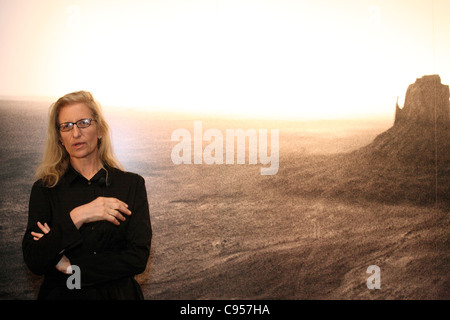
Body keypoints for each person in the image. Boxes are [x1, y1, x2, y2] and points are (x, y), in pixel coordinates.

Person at [22, 91, 152, 299]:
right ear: (59, 137)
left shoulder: (132, 185)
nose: (75, 133)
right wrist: (78, 216)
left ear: (99, 129)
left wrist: (73, 268)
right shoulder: (45, 189)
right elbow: (35, 259)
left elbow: (137, 258)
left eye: (83, 122)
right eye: (66, 126)